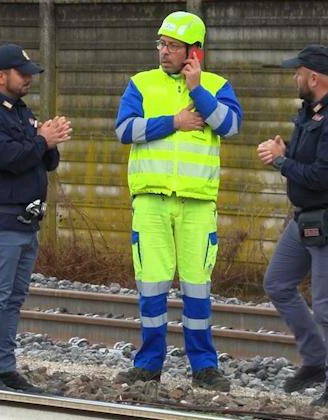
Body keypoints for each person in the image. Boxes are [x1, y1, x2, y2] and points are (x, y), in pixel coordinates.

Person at [113, 11, 242, 392]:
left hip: (197, 205)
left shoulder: (217, 86)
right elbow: (124, 129)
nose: (163, 52)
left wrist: (198, 90)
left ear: (194, 52)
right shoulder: (141, 84)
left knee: (197, 287)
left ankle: (204, 366)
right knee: (151, 285)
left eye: (171, 46)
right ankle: (149, 364)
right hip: (151, 203)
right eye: (161, 44)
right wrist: (174, 122)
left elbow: (230, 126)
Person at [257, 44, 328, 408]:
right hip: (305, 218)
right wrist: (286, 150)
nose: (294, 77)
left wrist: (279, 163)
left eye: (297, 72)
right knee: (277, 283)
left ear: (313, 77)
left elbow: (320, 176)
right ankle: (316, 358)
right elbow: (309, 157)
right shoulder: (313, 112)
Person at [0, 43, 72, 392]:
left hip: (25, 222)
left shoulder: (20, 111)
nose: (29, 79)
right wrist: (41, 141)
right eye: (22, 74)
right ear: (0, 76)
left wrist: (47, 142)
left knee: (13, 298)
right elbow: (8, 158)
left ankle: (5, 368)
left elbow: (43, 161)